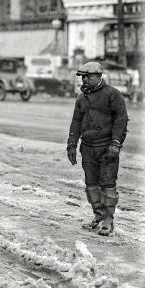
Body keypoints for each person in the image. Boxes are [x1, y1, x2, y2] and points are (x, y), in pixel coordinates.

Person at [67, 62, 128, 236]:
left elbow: (121, 120)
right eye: (83, 77)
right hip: (88, 148)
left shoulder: (113, 95)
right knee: (91, 184)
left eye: (89, 77)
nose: (85, 80)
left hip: (107, 148)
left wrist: (116, 143)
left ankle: (108, 220)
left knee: (108, 183)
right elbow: (76, 122)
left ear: (99, 77)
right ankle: (98, 216)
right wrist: (71, 145)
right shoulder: (81, 98)